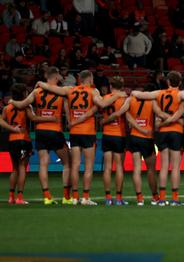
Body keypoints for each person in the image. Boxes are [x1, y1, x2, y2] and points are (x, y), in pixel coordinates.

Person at [37, 70, 126, 205]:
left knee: (75, 165)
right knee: (88, 166)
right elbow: (102, 104)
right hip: (88, 132)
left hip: (74, 132)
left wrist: (40, 83)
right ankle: (85, 197)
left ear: (79, 79)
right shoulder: (93, 91)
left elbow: (51, 88)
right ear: (89, 79)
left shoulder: (70, 90)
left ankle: (74, 197)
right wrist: (117, 95)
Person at [131, 71, 184, 206]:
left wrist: (132, 93)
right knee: (175, 167)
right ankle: (175, 199)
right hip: (176, 131)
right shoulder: (180, 94)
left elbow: (137, 94)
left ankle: (162, 198)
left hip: (162, 132)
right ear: (180, 83)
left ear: (168, 82)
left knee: (164, 166)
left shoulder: (159, 93)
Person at [9, 67, 71, 204]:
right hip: (55, 131)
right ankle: (67, 197)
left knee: (43, 164)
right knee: (68, 163)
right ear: (55, 77)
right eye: (59, 75)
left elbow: (22, 104)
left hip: (40, 132)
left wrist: (12, 102)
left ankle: (47, 196)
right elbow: (67, 114)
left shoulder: (37, 91)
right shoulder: (61, 93)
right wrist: (71, 124)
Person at [105, 84, 168, 206]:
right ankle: (155, 196)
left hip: (134, 137)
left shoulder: (130, 99)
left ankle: (140, 198)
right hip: (147, 138)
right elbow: (159, 114)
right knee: (151, 170)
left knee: (137, 169)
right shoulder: (151, 101)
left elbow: (123, 114)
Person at [1, 83, 55, 204]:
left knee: (14, 169)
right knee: (22, 168)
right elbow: (34, 118)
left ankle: (11, 197)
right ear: (24, 93)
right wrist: (50, 118)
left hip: (11, 140)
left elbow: (1, 120)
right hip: (23, 140)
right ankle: (19, 197)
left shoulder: (7, 107)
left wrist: (11, 128)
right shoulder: (26, 107)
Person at [99, 77, 128, 205]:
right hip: (119, 135)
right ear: (121, 86)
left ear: (111, 86)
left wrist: (104, 121)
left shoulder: (105, 98)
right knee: (119, 167)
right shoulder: (123, 99)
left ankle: (108, 197)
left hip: (107, 134)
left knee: (107, 167)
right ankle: (118, 198)